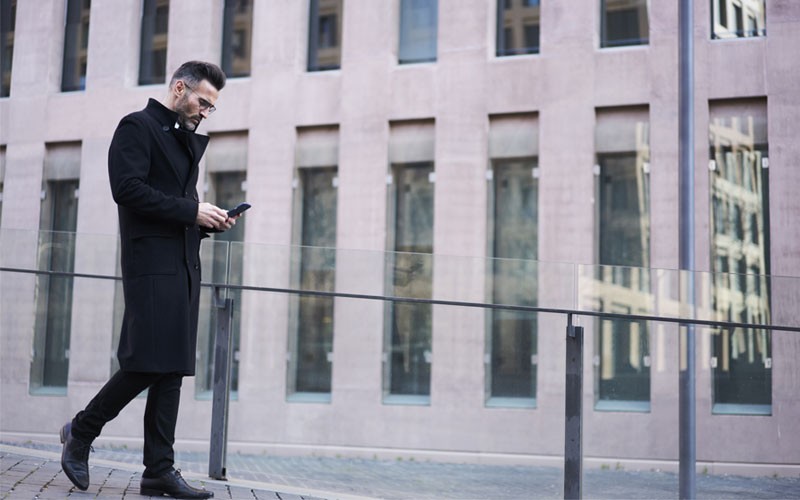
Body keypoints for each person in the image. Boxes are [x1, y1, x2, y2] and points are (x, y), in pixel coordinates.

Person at [59, 61, 237, 499]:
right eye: (202, 102)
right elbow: (129, 189)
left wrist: (207, 220)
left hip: (182, 265)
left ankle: (158, 470)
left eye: (212, 108)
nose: (204, 112)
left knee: (171, 368)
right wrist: (191, 211)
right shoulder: (136, 126)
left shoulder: (183, 141)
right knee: (145, 362)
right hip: (150, 266)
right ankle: (81, 431)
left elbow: (175, 208)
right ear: (179, 88)